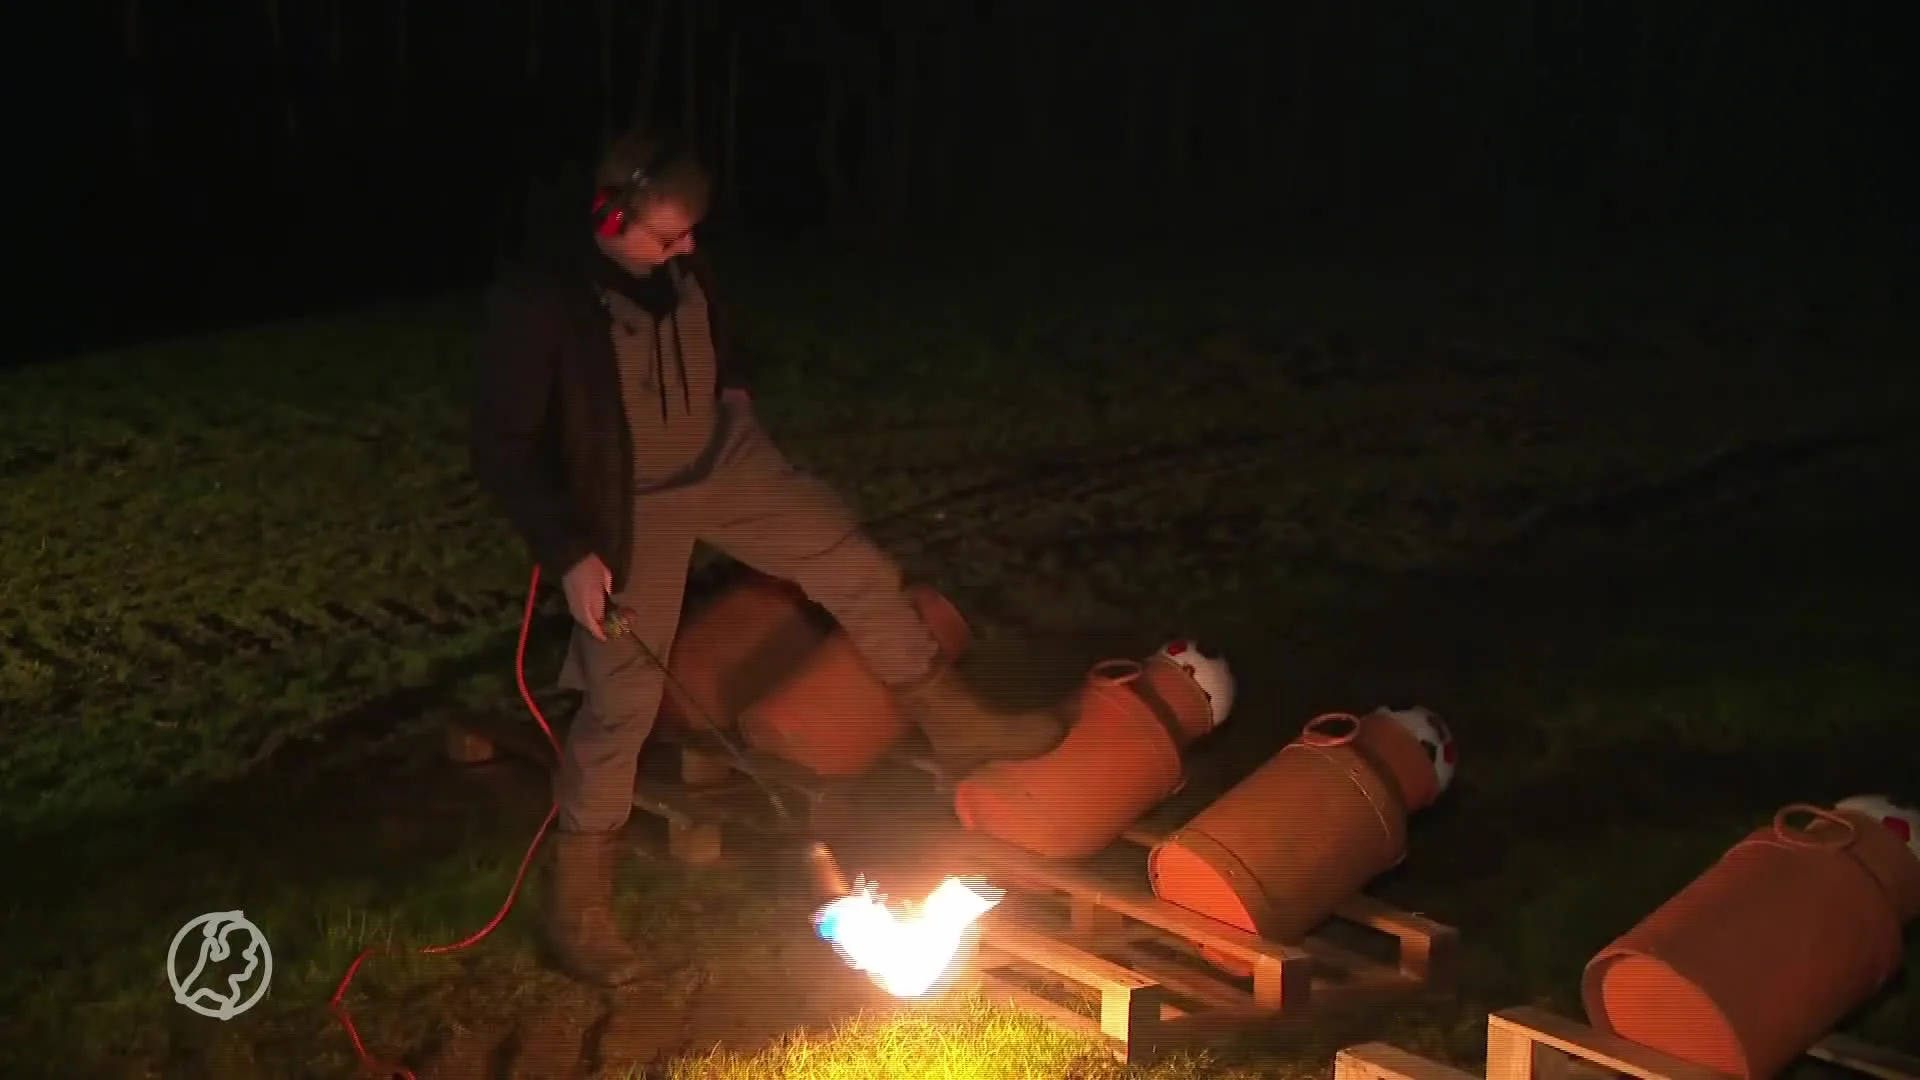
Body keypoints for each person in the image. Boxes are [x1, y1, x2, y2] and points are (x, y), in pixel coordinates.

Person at [469, 129, 1065, 987]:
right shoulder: (542, 301)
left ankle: (959, 727)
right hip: (627, 505)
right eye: (668, 236)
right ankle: (580, 911)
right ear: (610, 216)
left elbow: (714, 329)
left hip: (727, 464)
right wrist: (568, 552)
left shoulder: (684, 264)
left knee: (855, 566)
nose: (688, 248)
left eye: (692, 233)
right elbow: (503, 447)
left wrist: (736, 390)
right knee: (620, 705)